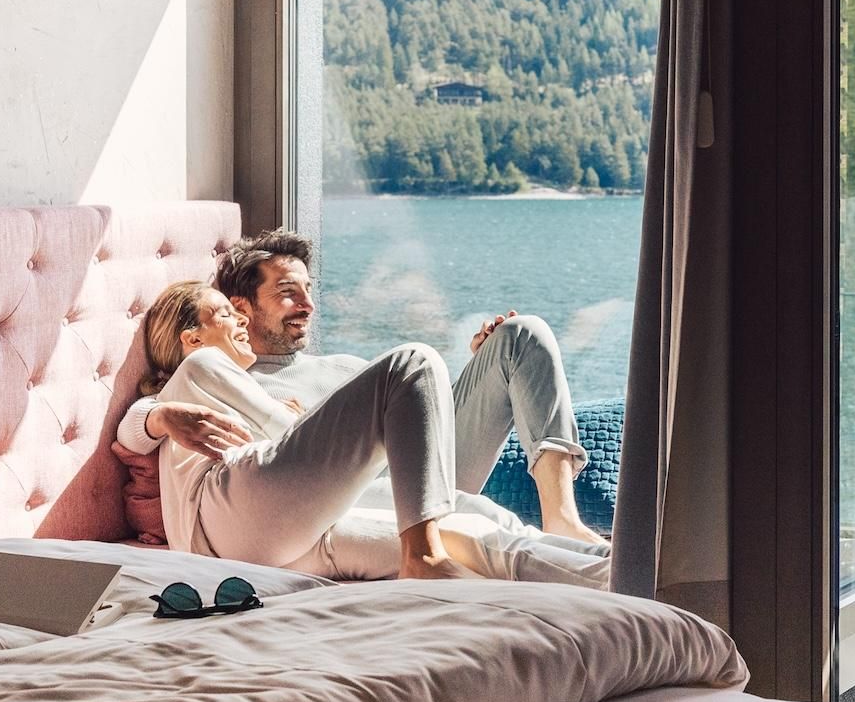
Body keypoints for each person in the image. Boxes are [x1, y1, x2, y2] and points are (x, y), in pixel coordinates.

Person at [122, 281, 610, 588]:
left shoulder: (320, 371)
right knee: (413, 362)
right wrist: (161, 417)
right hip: (235, 511)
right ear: (191, 338)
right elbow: (134, 427)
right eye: (225, 313)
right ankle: (423, 554)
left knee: (478, 526)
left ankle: (637, 576)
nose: (240, 319)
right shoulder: (198, 368)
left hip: (282, 544)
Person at [215, 228, 606, 546]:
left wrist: (485, 369)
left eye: (308, 289)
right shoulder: (234, 386)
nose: (308, 304)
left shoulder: (346, 367)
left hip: (424, 475)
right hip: (368, 501)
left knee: (522, 334)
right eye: (287, 292)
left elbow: (415, 424)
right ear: (241, 308)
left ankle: (562, 519)